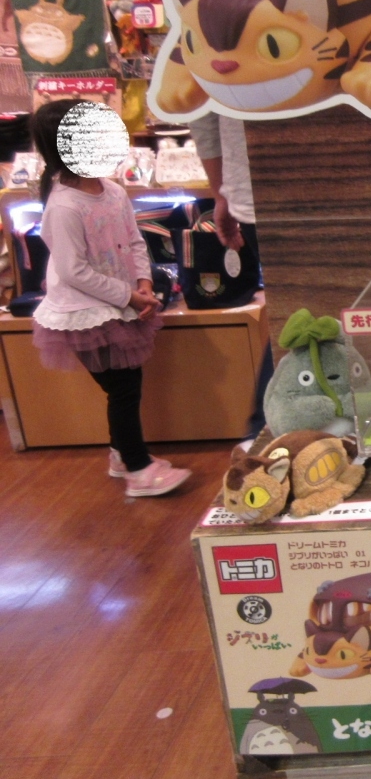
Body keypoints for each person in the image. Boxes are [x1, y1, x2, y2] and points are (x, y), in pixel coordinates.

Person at [29, 99, 190, 496]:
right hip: (86, 313)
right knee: (123, 390)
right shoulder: (64, 206)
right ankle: (137, 468)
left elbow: (134, 240)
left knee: (126, 386)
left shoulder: (113, 191)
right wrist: (128, 296)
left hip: (119, 303)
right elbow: (73, 271)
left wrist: (144, 282)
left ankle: (123, 455)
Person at [191, 114, 270, 438]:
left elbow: (202, 112)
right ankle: (265, 432)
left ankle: (263, 435)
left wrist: (221, 192)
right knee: (301, 313)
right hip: (258, 187)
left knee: (296, 313)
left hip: (255, 183)